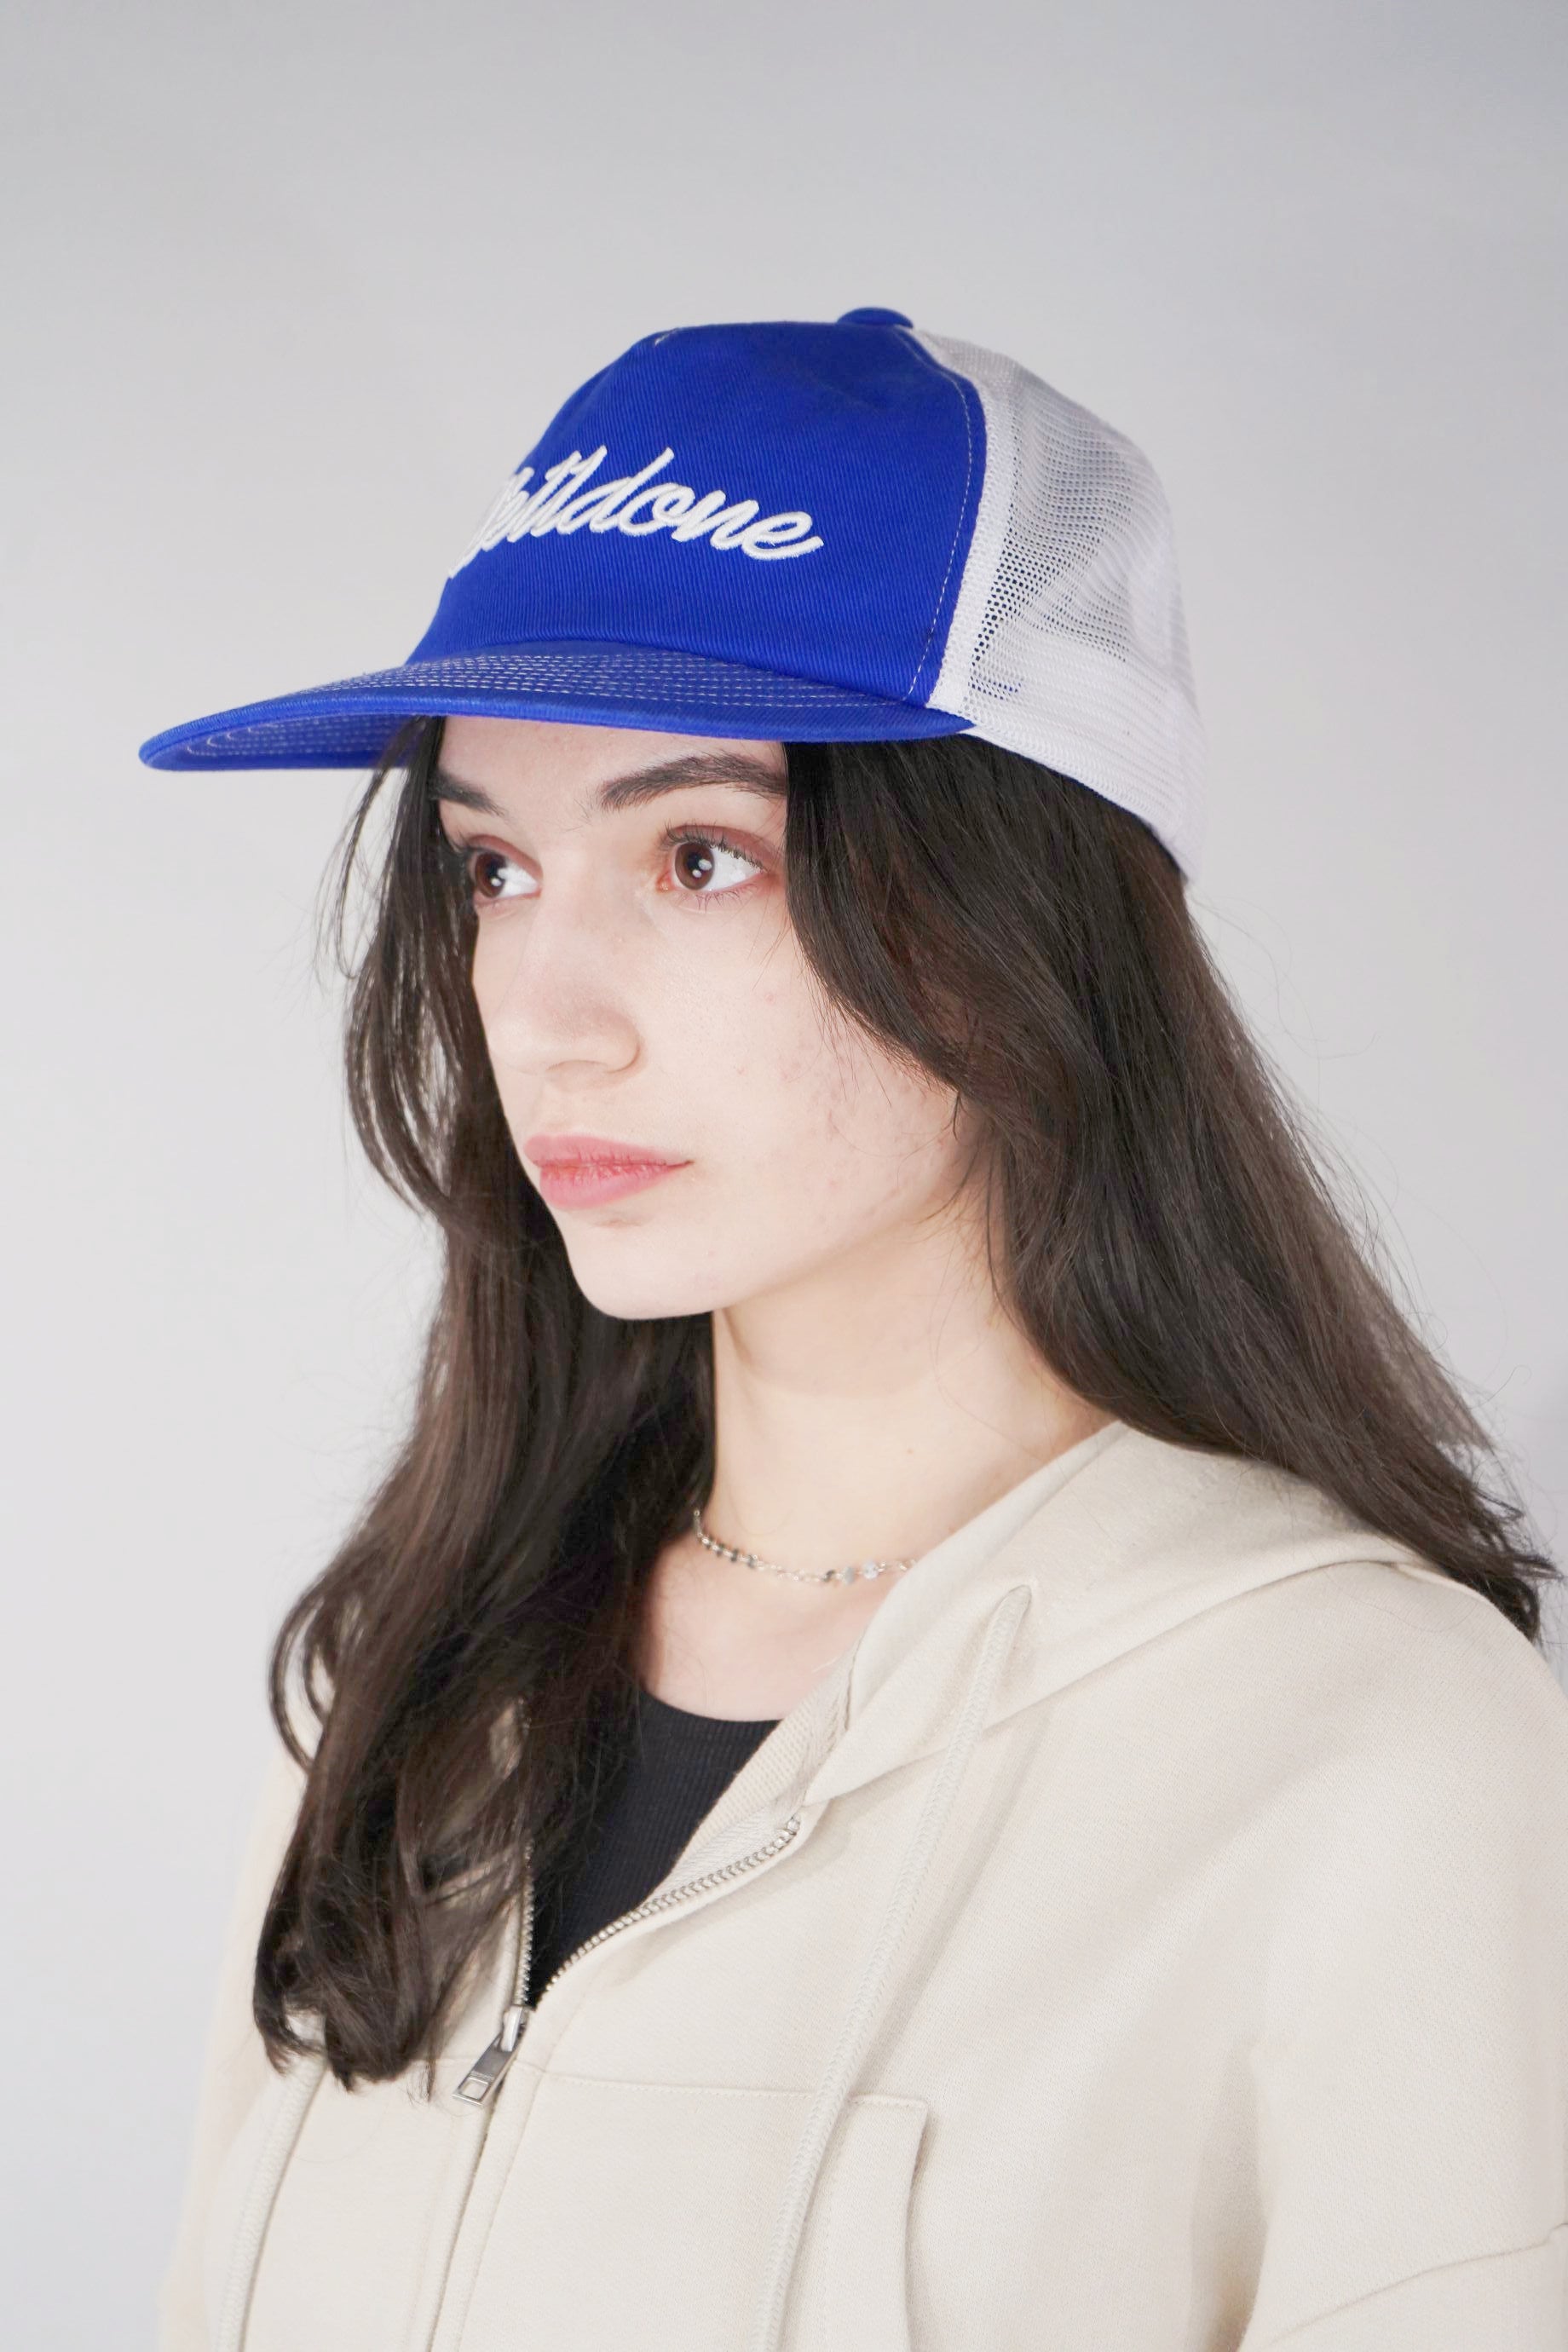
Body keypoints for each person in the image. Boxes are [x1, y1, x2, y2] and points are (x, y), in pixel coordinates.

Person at [141, 308, 1568, 2352]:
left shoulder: (1364, 1749)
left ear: (1013, 916)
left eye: (699, 856)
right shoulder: (407, 1699)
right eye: (495, 869)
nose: (544, 1014)